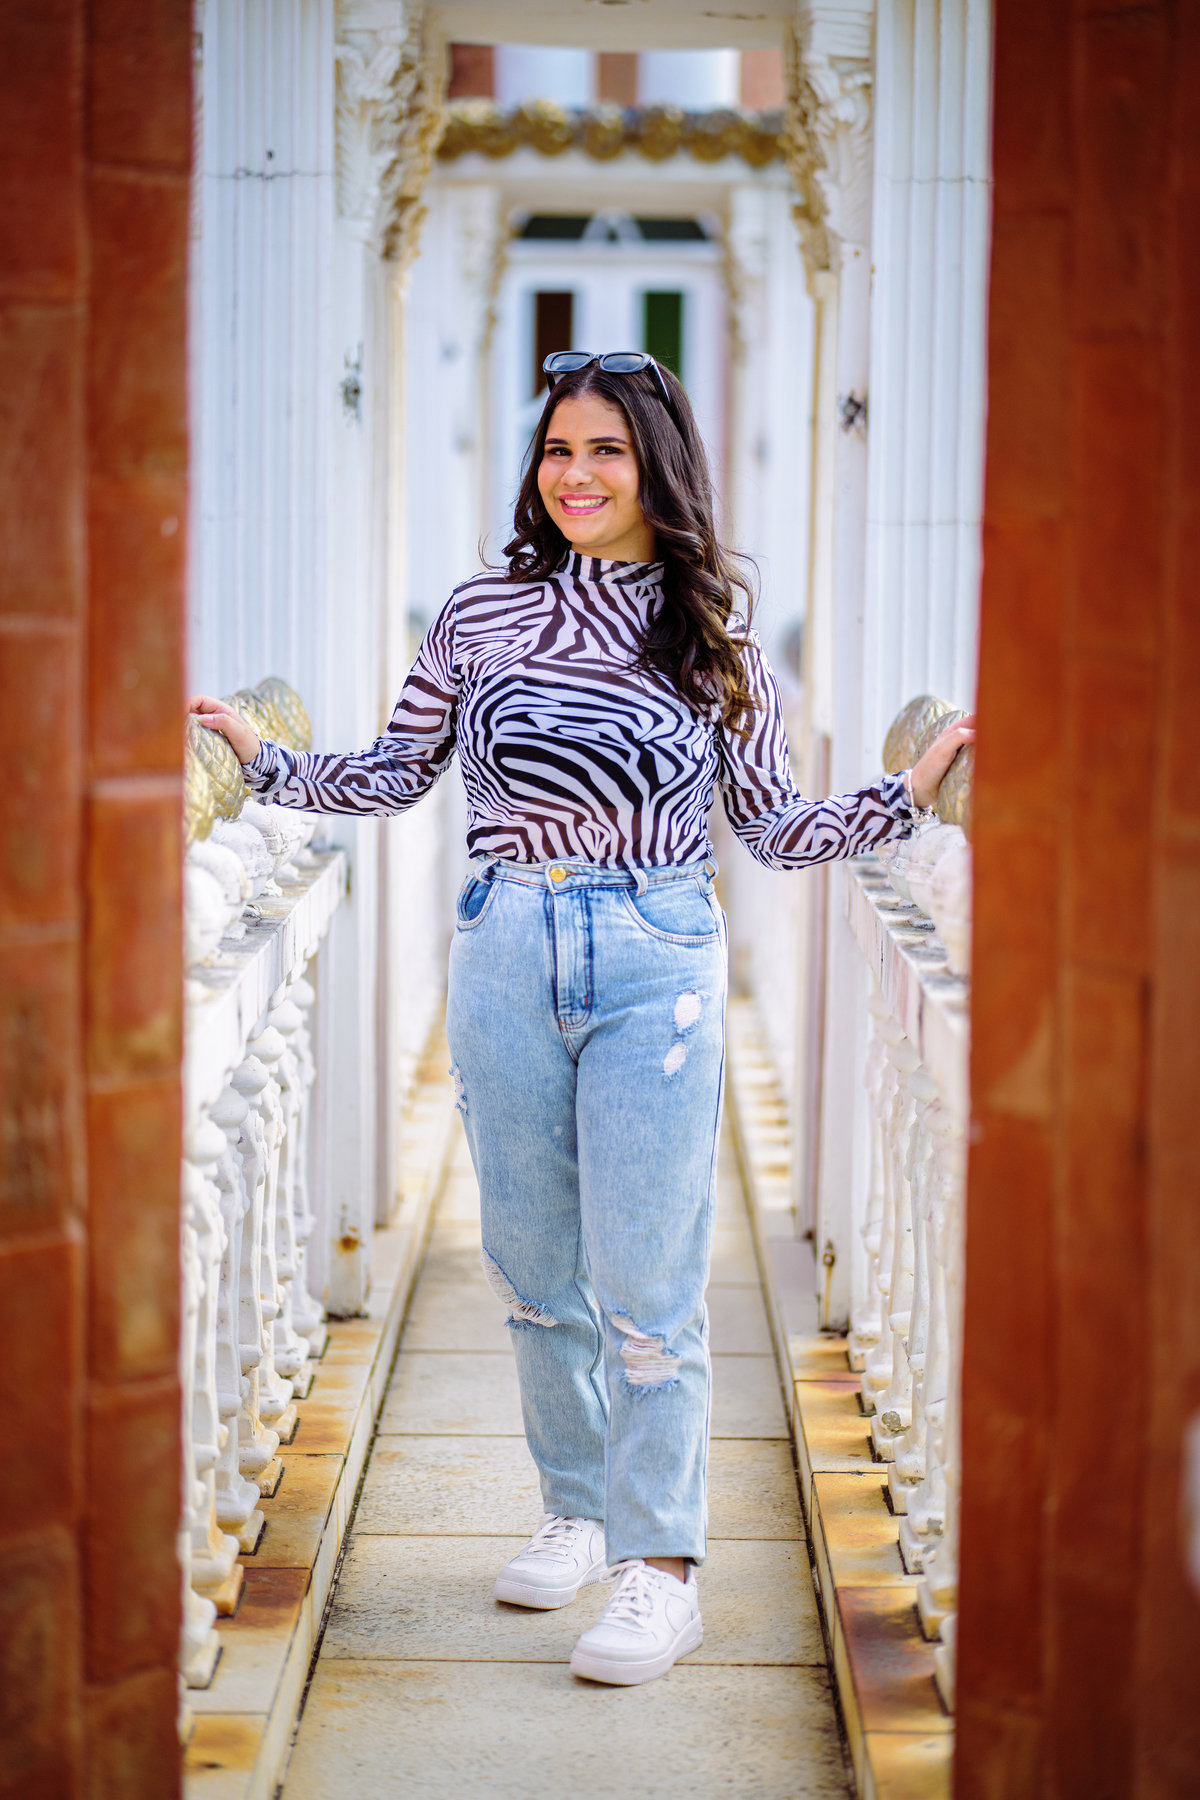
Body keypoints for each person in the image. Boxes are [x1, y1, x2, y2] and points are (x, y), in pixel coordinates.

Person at [190, 351, 974, 1688]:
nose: (577, 474)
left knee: (648, 1282)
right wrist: (263, 763)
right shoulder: (482, 611)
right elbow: (393, 772)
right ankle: (576, 1504)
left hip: (656, 955)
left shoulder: (713, 627)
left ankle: (660, 1571)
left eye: (606, 449)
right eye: (559, 450)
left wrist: (905, 795)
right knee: (532, 1268)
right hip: (503, 942)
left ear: (657, 466)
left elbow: (776, 828)